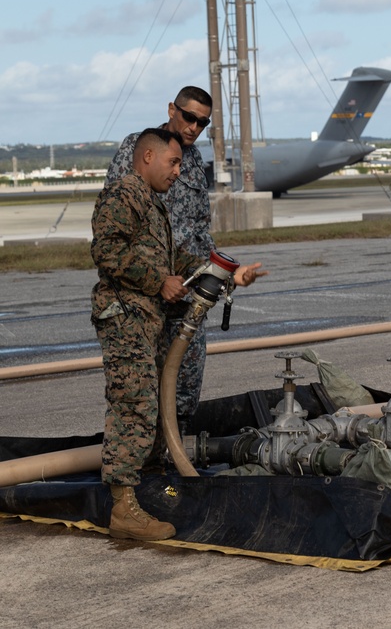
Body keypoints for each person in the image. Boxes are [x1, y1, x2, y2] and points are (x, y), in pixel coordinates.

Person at [92, 128, 265, 540]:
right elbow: (107, 252)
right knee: (133, 406)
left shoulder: (153, 204)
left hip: (145, 319)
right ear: (147, 157)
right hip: (125, 316)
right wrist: (158, 281)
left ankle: (152, 488)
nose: (178, 171)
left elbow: (178, 260)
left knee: (153, 406)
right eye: (172, 163)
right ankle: (123, 508)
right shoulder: (124, 196)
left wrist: (230, 275)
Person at [106, 86, 215, 426]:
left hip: (188, 289)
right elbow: (117, 229)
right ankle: (147, 471)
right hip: (147, 293)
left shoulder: (193, 158)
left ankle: (175, 464)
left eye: (203, 123)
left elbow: (199, 223)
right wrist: (156, 279)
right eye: (189, 118)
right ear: (172, 110)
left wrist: (212, 269)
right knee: (141, 391)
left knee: (185, 381)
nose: (194, 127)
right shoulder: (140, 149)